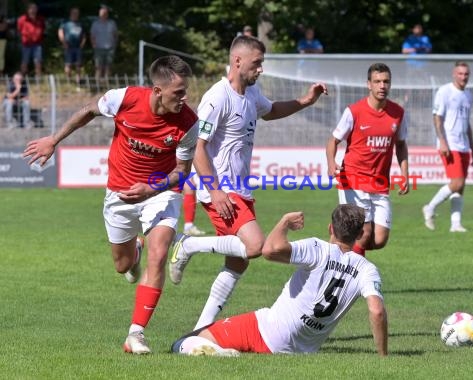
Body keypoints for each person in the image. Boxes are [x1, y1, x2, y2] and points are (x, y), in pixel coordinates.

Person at [23, 55, 199, 354]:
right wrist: (54, 139)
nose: (185, 98)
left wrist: (151, 188)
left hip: (160, 194)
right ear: (157, 90)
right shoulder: (124, 98)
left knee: (159, 254)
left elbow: (181, 174)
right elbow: (87, 111)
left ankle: (136, 334)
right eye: (178, 93)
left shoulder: (189, 123)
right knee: (123, 266)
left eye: (185, 92)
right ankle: (135, 251)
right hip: (119, 195)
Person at [168, 35, 328, 331]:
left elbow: (272, 111)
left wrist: (305, 101)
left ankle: (201, 328)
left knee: (238, 262)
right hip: (221, 190)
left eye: (262, 63)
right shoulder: (217, 97)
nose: (261, 69)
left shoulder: (252, 94)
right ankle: (188, 244)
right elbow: (197, 147)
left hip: (239, 189)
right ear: (237, 61)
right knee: (254, 246)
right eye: (257, 63)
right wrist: (215, 191)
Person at [171, 205, 388, 357]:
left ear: (330, 228)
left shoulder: (318, 248)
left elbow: (269, 250)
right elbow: (377, 311)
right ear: (360, 234)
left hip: (266, 331)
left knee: (183, 343)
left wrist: (284, 222)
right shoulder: (367, 270)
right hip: (306, 349)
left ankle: (218, 354)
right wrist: (383, 355)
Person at [326, 63, 409, 258]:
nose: (382, 86)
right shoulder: (354, 111)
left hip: (380, 184)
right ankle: (353, 282)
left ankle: (336, 239)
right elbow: (333, 141)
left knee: (379, 240)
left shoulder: (398, 113)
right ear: (368, 84)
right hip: (353, 179)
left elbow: (401, 145)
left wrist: (405, 174)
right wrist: (331, 163)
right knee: (363, 235)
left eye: (386, 81)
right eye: (377, 81)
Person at [422, 61, 473, 233]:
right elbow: (437, 118)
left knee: (461, 186)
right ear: (454, 74)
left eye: (466, 74)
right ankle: (430, 208)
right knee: (456, 182)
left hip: (464, 145)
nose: (463, 77)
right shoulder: (445, 92)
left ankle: (455, 224)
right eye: (460, 74)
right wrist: (443, 141)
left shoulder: (468, 94)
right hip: (450, 144)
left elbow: (467, 123)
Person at [90, 4, 118, 83]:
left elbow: (115, 35)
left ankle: (106, 82)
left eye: (105, 13)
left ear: (107, 14)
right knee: (98, 66)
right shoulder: (95, 24)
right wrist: (94, 45)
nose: (103, 15)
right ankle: (97, 83)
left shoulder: (112, 23)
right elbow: (92, 36)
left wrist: (114, 45)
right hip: (98, 47)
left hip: (110, 48)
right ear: (99, 14)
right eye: (102, 14)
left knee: (108, 66)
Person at [58, 7, 86, 84]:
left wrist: (82, 45)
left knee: (78, 64)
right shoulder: (65, 23)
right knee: (68, 64)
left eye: (77, 13)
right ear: (71, 13)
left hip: (78, 47)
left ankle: (78, 80)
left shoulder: (80, 24)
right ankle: (68, 80)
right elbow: (60, 32)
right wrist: (64, 43)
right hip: (68, 46)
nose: (75, 14)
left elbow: (84, 36)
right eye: (74, 13)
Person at [17, 3, 45, 76]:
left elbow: (43, 29)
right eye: (31, 9)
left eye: (35, 9)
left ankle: (38, 79)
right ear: (28, 10)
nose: (33, 10)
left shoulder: (40, 19)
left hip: (37, 44)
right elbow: (19, 30)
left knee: (38, 61)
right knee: (24, 61)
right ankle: (22, 78)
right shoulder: (22, 19)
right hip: (26, 44)